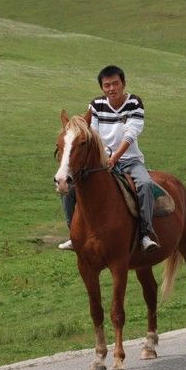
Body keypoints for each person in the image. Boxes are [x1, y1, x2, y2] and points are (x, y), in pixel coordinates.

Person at [59, 65, 159, 253]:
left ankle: (145, 234)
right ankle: (74, 234)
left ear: (123, 84)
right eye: (107, 85)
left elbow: (131, 133)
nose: (111, 88)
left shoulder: (134, 103)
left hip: (130, 160)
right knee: (69, 189)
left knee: (145, 184)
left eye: (115, 84)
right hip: (103, 161)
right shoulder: (96, 105)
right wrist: (105, 157)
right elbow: (93, 133)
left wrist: (115, 157)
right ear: (102, 88)